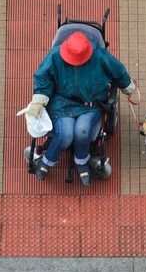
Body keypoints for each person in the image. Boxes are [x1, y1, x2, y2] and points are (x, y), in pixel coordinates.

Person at [26, 31, 135, 186]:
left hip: (90, 103)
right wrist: (38, 99)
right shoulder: (55, 55)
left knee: (82, 132)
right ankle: (47, 160)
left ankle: (81, 161)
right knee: (65, 135)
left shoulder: (99, 55)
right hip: (61, 102)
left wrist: (127, 87)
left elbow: (118, 71)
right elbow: (42, 76)